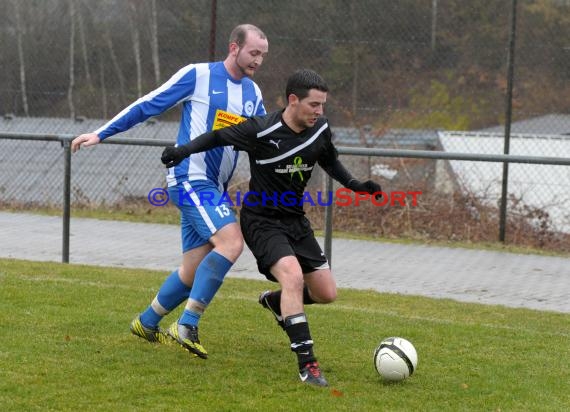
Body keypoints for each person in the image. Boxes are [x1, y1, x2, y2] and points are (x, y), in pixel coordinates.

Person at [161, 69, 382, 386]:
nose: (319, 112)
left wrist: (356, 185)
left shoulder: (319, 129)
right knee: (292, 277)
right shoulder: (261, 130)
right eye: (314, 105)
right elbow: (217, 137)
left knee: (326, 292)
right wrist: (182, 152)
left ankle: (276, 302)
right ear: (293, 100)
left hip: (295, 220)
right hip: (261, 221)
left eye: (322, 106)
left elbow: (329, 159)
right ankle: (308, 364)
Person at [71, 24, 269, 359]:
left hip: (214, 187)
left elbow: (265, 139)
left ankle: (147, 322)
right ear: (234, 47)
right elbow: (149, 104)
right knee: (232, 243)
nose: (258, 61)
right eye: (254, 53)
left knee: (193, 271)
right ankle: (187, 324)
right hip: (190, 178)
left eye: (263, 55)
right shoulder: (198, 75)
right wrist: (102, 133)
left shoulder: (253, 94)